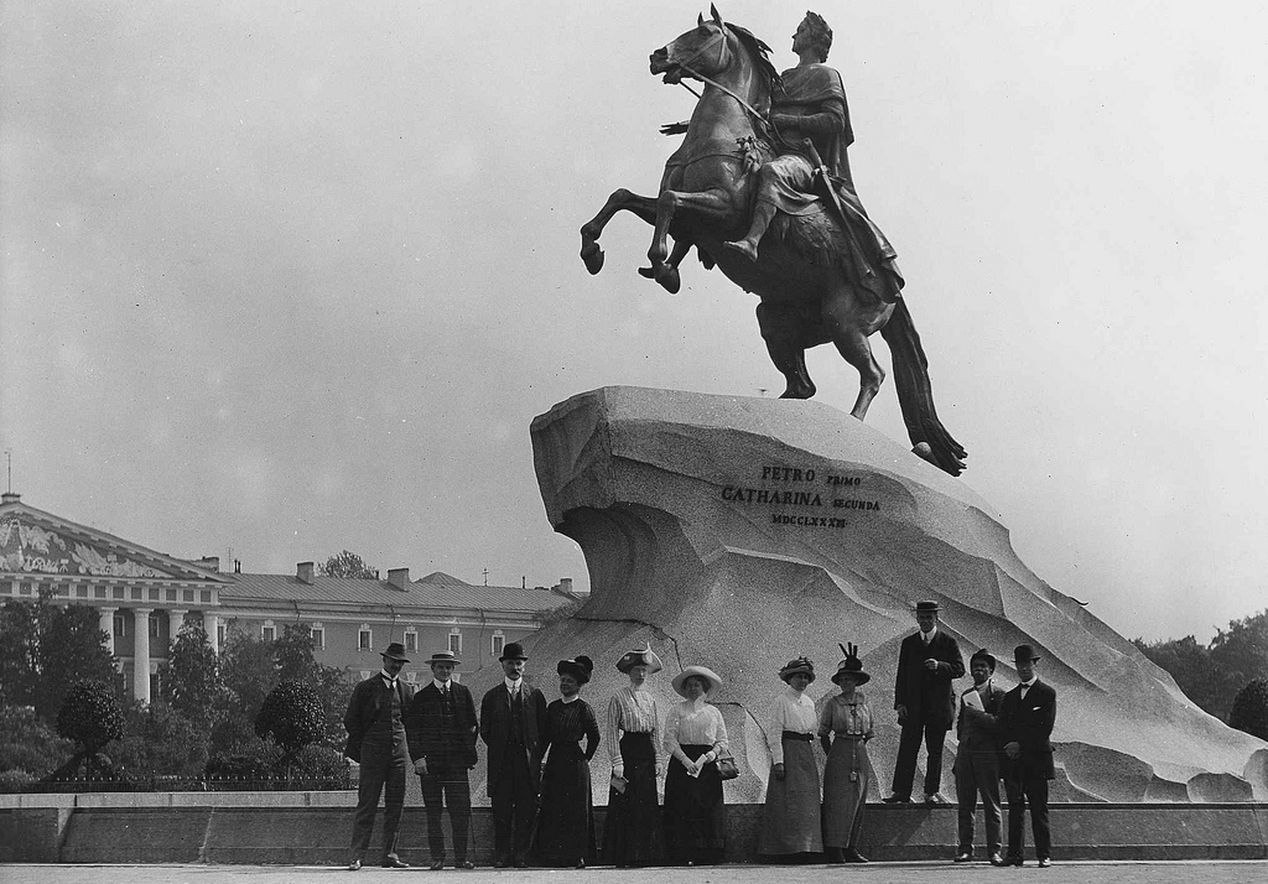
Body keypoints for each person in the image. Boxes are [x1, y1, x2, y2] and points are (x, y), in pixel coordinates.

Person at [722, 11, 902, 305]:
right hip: (773, 148)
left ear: (814, 39)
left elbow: (834, 121)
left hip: (803, 159)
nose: (794, 35)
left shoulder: (826, 75)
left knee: (773, 174)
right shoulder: (785, 77)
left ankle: (752, 241)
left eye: (800, 30)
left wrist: (787, 120)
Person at [342, 641, 416, 870]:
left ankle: (390, 854)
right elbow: (351, 721)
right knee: (367, 803)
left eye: (400, 662)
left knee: (396, 804)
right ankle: (357, 855)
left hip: (398, 754)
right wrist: (368, 742)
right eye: (393, 661)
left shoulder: (406, 689)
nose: (396, 665)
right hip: (372, 752)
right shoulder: (365, 688)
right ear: (384, 660)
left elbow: (409, 721)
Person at [403, 650, 478, 871]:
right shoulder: (422, 697)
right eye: (441, 667)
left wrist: (467, 751)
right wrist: (418, 758)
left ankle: (461, 858)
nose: (445, 671)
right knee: (433, 812)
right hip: (431, 765)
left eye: (448, 667)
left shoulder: (463, 693)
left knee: (460, 811)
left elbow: (473, 725)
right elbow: (413, 731)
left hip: (456, 765)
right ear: (433, 668)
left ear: (453, 669)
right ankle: (437, 857)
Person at [887, 600, 965, 804]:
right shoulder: (909, 643)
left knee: (935, 752)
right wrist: (900, 703)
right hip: (912, 707)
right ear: (917, 618)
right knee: (907, 749)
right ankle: (901, 793)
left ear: (936, 618)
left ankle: (930, 792)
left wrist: (940, 665)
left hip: (938, 708)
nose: (925, 621)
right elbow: (901, 675)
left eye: (929, 617)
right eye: (921, 617)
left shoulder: (948, 642)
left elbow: (959, 669)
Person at [479, 641, 548, 868]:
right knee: (502, 811)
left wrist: (535, 754)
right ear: (503, 666)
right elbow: (486, 731)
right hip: (502, 764)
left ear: (524, 666)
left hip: (528, 764)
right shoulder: (491, 697)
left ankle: (521, 855)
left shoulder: (535, 695)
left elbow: (543, 730)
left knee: (527, 811)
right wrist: (502, 748)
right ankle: (501, 854)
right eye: (510, 663)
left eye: (519, 663)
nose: (515, 667)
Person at [535, 655, 601, 869]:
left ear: (579, 685)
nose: (565, 684)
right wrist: (538, 761)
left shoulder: (584, 709)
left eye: (570, 681)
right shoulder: (552, 708)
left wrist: (585, 758)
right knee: (554, 806)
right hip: (555, 761)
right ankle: (553, 855)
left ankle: (578, 855)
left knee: (576, 810)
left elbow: (595, 737)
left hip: (575, 763)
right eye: (562, 680)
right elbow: (544, 737)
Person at [603, 643, 664, 867]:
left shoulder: (651, 699)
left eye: (643, 670)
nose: (640, 674)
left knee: (646, 803)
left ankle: (646, 854)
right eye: (636, 670)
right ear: (629, 672)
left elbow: (655, 730)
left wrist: (658, 759)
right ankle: (624, 855)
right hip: (627, 750)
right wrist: (616, 762)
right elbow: (610, 730)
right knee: (625, 803)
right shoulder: (618, 697)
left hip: (646, 752)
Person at [662, 665, 730, 866]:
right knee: (682, 805)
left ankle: (708, 853)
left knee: (707, 806)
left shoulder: (714, 712)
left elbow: (722, 740)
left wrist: (711, 754)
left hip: (707, 764)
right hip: (683, 762)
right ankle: (683, 853)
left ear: (705, 687)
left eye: (697, 684)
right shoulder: (677, 710)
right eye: (689, 685)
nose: (693, 688)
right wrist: (685, 760)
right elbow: (669, 739)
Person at [758, 656, 823, 860]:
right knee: (788, 802)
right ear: (789, 679)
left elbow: (812, 729)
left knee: (807, 802)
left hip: (805, 751)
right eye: (798, 677)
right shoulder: (781, 701)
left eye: (805, 677)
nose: (802, 681)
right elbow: (774, 732)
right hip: (788, 751)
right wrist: (779, 761)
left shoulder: (809, 703)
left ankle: (807, 847)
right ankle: (785, 849)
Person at [999, 644, 1057, 868]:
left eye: (1027, 664)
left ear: (1035, 664)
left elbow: (1045, 729)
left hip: (1037, 760)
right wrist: (1008, 745)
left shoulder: (1047, 693)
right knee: (1015, 808)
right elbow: (1003, 725)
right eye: (1020, 664)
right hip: (1015, 762)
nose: (1024, 668)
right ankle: (1015, 855)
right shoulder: (1011, 696)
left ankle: (1044, 854)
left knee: (1039, 808)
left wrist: (1018, 744)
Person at [819, 642, 875, 863]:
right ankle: (835, 847)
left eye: (849, 679)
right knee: (839, 801)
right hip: (839, 750)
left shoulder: (865, 702)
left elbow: (869, 730)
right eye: (842, 680)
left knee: (859, 799)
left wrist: (858, 749)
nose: (845, 683)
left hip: (860, 751)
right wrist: (833, 754)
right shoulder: (833, 703)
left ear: (857, 681)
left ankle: (852, 846)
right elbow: (823, 733)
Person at [952, 649, 1007, 866]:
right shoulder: (966, 694)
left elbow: (1001, 726)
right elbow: (960, 724)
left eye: (983, 667)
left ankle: (994, 850)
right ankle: (966, 849)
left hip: (987, 755)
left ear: (991, 670)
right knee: (965, 804)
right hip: (966, 754)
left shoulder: (999, 695)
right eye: (975, 667)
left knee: (991, 803)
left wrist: (980, 716)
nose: (979, 670)